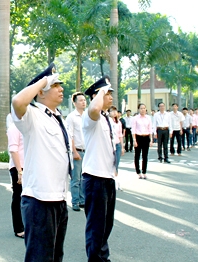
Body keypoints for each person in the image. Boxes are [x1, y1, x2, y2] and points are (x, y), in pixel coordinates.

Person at [11, 63, 71, 262]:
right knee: (39, 258)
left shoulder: (56, 117)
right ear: (41, 92)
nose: (61, 88)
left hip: (58, 197)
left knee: (55, 257)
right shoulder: (33, 115)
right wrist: (45, 80)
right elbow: (18, 101)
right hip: (39, 200)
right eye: (56, 85)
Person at [82, 76, 116, 262]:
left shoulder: (106, 118)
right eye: (107, 93)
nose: (110, 97)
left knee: (106, 225)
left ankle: (103, 257)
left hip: (107, 177)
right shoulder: (91, 117)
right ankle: (95, 259)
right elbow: (94, 107)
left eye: (110, 93)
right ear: (96, 95)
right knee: (96, 226)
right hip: (94, 178)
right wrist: (101, 91)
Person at [66, 92, 87, 211]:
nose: (83, 102)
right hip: (77, 150)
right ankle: (75, 201)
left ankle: (82, 199)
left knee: (84, 178)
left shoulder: (87, 115)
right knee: (76, 178)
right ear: (74, 103)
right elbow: (71, 136)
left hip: (87, 151)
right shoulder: (71, 117)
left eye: (84, 100)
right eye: (80, 100)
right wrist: (74, 152)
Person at [7, 123, 25, 239]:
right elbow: (13, 150)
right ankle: (18, 228)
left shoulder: (27, 126)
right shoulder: (14, 128)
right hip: (18, 168)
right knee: (18, 197)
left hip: (31, 166)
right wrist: (19, 171)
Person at [131, 103, 153, 179]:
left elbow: (150, 129)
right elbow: (133, 130)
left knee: (145, 155)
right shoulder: (135, 118)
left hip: (146, 137)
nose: (143, 110)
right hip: (138, 137)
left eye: (144, 108)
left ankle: (144, 171)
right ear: (138, 109)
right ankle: (138, 171)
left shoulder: (148, 118)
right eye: (141, 108)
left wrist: (151, 139)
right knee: (137, 155)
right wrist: (134, 140)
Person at [109, 106, 124, 189]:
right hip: (111, 145)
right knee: (110, 164)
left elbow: (120, 135)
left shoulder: (118, 123)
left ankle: (116, 182)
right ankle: (111, 182)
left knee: (116, 164)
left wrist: (122, 147)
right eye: (112, 111)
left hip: (117, 144)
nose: (114, 113)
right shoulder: (107, 121)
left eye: (115, 111)